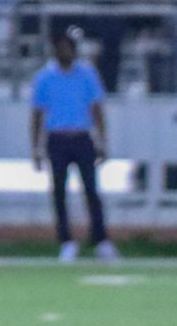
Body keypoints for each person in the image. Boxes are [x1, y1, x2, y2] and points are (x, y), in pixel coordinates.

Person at [30, 30, 118, 261]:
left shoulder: (87, 74)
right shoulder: (45, 77)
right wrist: (36, 148)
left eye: (67, 47)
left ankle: (100, 239)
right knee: (59, 192)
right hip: (57, 138)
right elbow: (37, 114)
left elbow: (97, 109)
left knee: (91, 190)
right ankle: (67, 241)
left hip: (81, 137)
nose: (64, 51)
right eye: (60, 47)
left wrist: (102, 140)